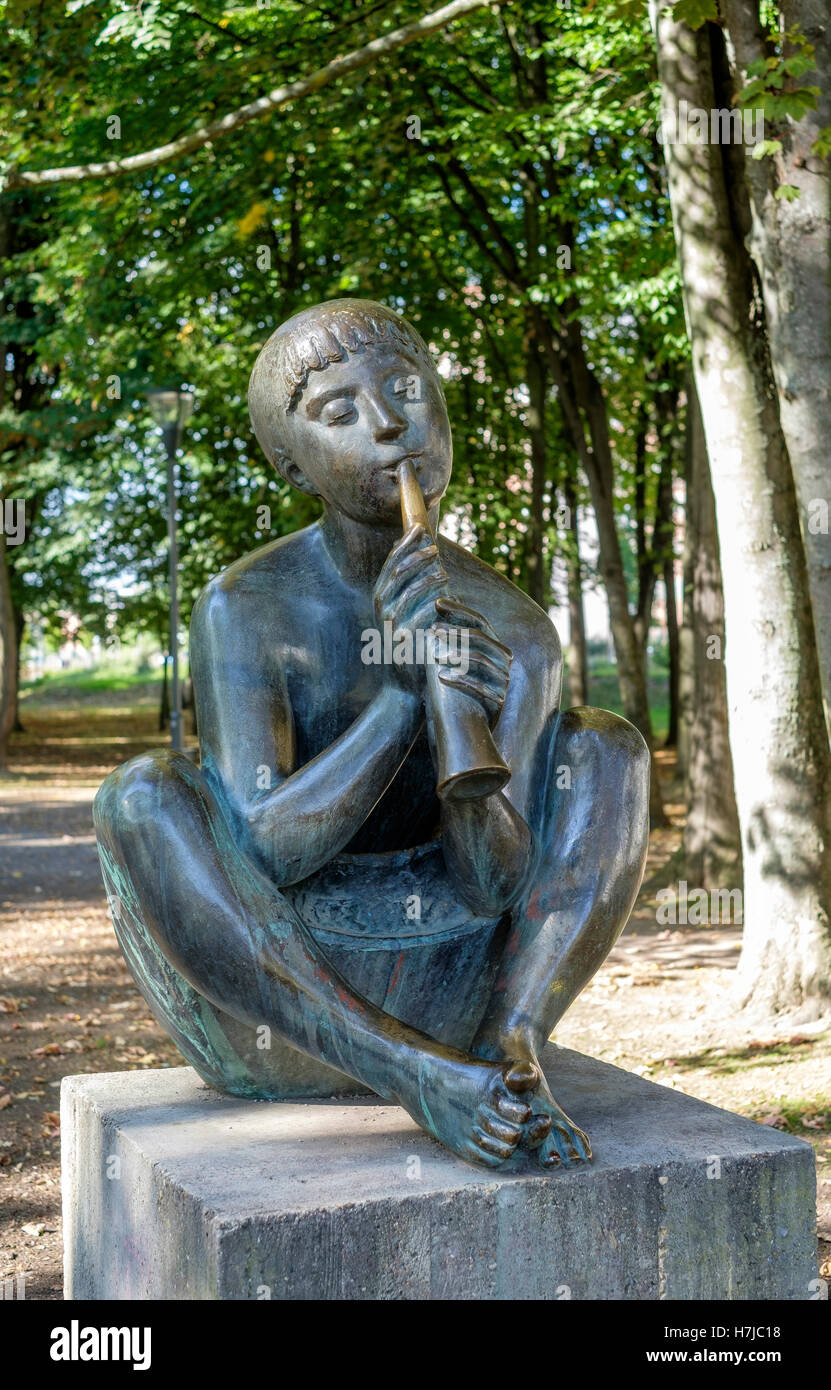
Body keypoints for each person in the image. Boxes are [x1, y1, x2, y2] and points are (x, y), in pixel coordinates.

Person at [94, 299, 649, 1169]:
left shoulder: (516, 628)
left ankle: (514, 1047)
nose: (390, 426)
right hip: (282, 999)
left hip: (459, 983)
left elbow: (495, 881)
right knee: (140, 796)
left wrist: (455, 714)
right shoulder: (248, 604)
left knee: (606, 746)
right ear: (293, 464)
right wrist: (398, 697)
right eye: (339, 413)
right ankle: (412, 1075)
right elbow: (264, 855)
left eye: (407, 391)